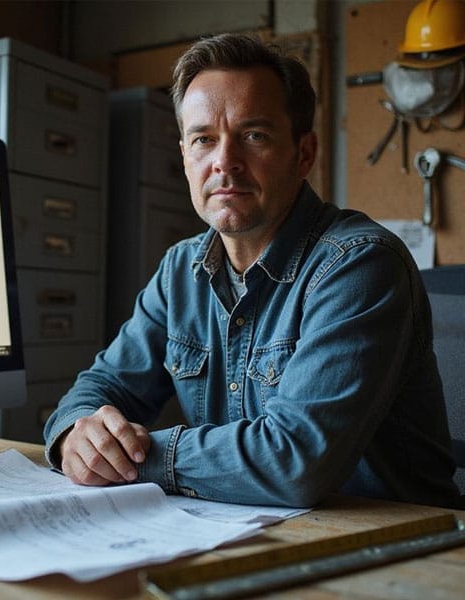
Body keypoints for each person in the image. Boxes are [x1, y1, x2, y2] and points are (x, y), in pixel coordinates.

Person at [43, 33, 461, 508]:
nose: (224, 162)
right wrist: (76, 435)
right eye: (203, 140)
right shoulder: (180, 270)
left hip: (400, 541)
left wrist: (133, 457)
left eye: (254, 136)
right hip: (249, 530)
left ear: (304, 154)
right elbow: (102, 387)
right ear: (185, 158)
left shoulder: (361, 264)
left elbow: (294, 462)